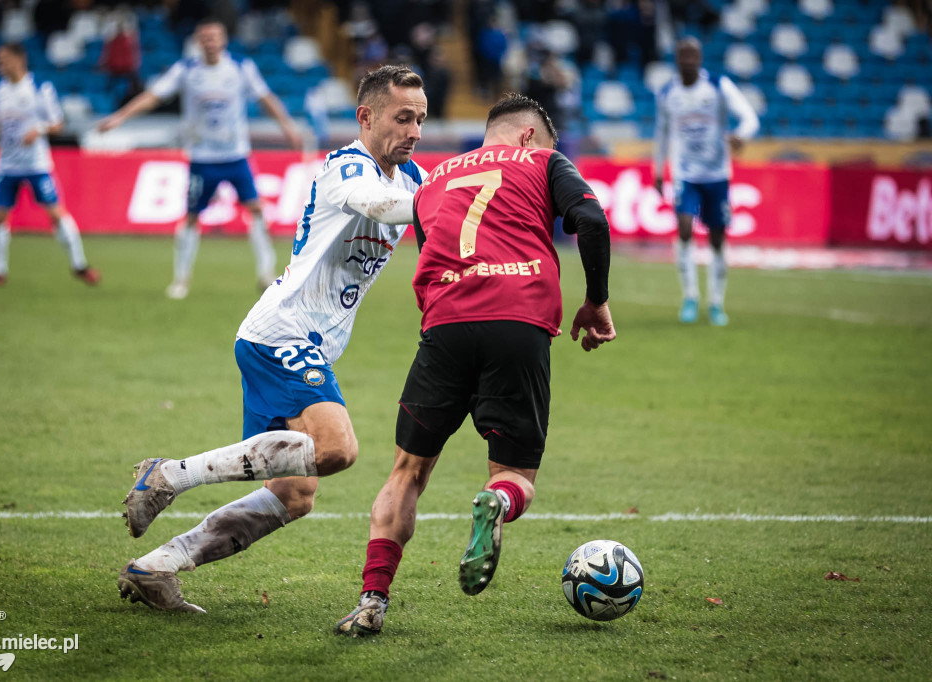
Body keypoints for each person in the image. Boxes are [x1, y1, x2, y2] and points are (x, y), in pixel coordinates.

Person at [116, 65, 428, 614]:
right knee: (338, 449)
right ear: (366, 117)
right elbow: (383, 209)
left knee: (294, 495)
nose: (415, 131)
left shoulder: (412, 181)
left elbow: (438, 231)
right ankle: (167, 475)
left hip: (303, 342)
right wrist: (448, 196)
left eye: (421, 120)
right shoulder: (343, 168)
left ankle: (157, 566)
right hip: (283, 331)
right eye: (403, 118)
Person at [335, 93, 616, 637]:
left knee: (407, 473)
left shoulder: (434, 179)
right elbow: (590, 219)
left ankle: (372, 598)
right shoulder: (543, 162)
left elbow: (429, 247)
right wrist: (597, 300)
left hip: (444, 326)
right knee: (515, 477)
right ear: (530, 136)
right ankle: (497, 499)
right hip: (519, 321)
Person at [98, 19, 303, 299]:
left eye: (214, 37)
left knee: (255, 209)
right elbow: (152, 97)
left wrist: (287, 126)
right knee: (192, 217)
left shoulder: (241, 68)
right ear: (198, 42)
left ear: (223, 40)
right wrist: (120, 117)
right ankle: (181, 279)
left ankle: (266, 273)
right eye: (204, 38)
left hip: (235, 155)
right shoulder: (186, 71)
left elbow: (265, 98)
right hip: (202, 158)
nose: (210, 42)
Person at [0, 43, 99, 287]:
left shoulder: (40, 88)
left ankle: (79, 264)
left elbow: (57, 123)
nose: (0, 64)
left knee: (55, 213)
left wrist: (38, 130)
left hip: (36, 164)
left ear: (20, 60)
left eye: (4, 59)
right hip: (6, 166)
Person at [653, 37, 758, 326]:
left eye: (693, 57)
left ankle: (716, 302)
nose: (688, 62)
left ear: (699, 59)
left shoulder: (718, 85)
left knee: (717, 238)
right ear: (676, 60)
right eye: (683, 57)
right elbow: (661, 133)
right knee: (684, 228)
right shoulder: (667, 93)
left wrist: (741, 135)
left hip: (717, 175)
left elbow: (750, 118)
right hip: (685, 174)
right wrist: (658, 170)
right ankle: (690, 296)